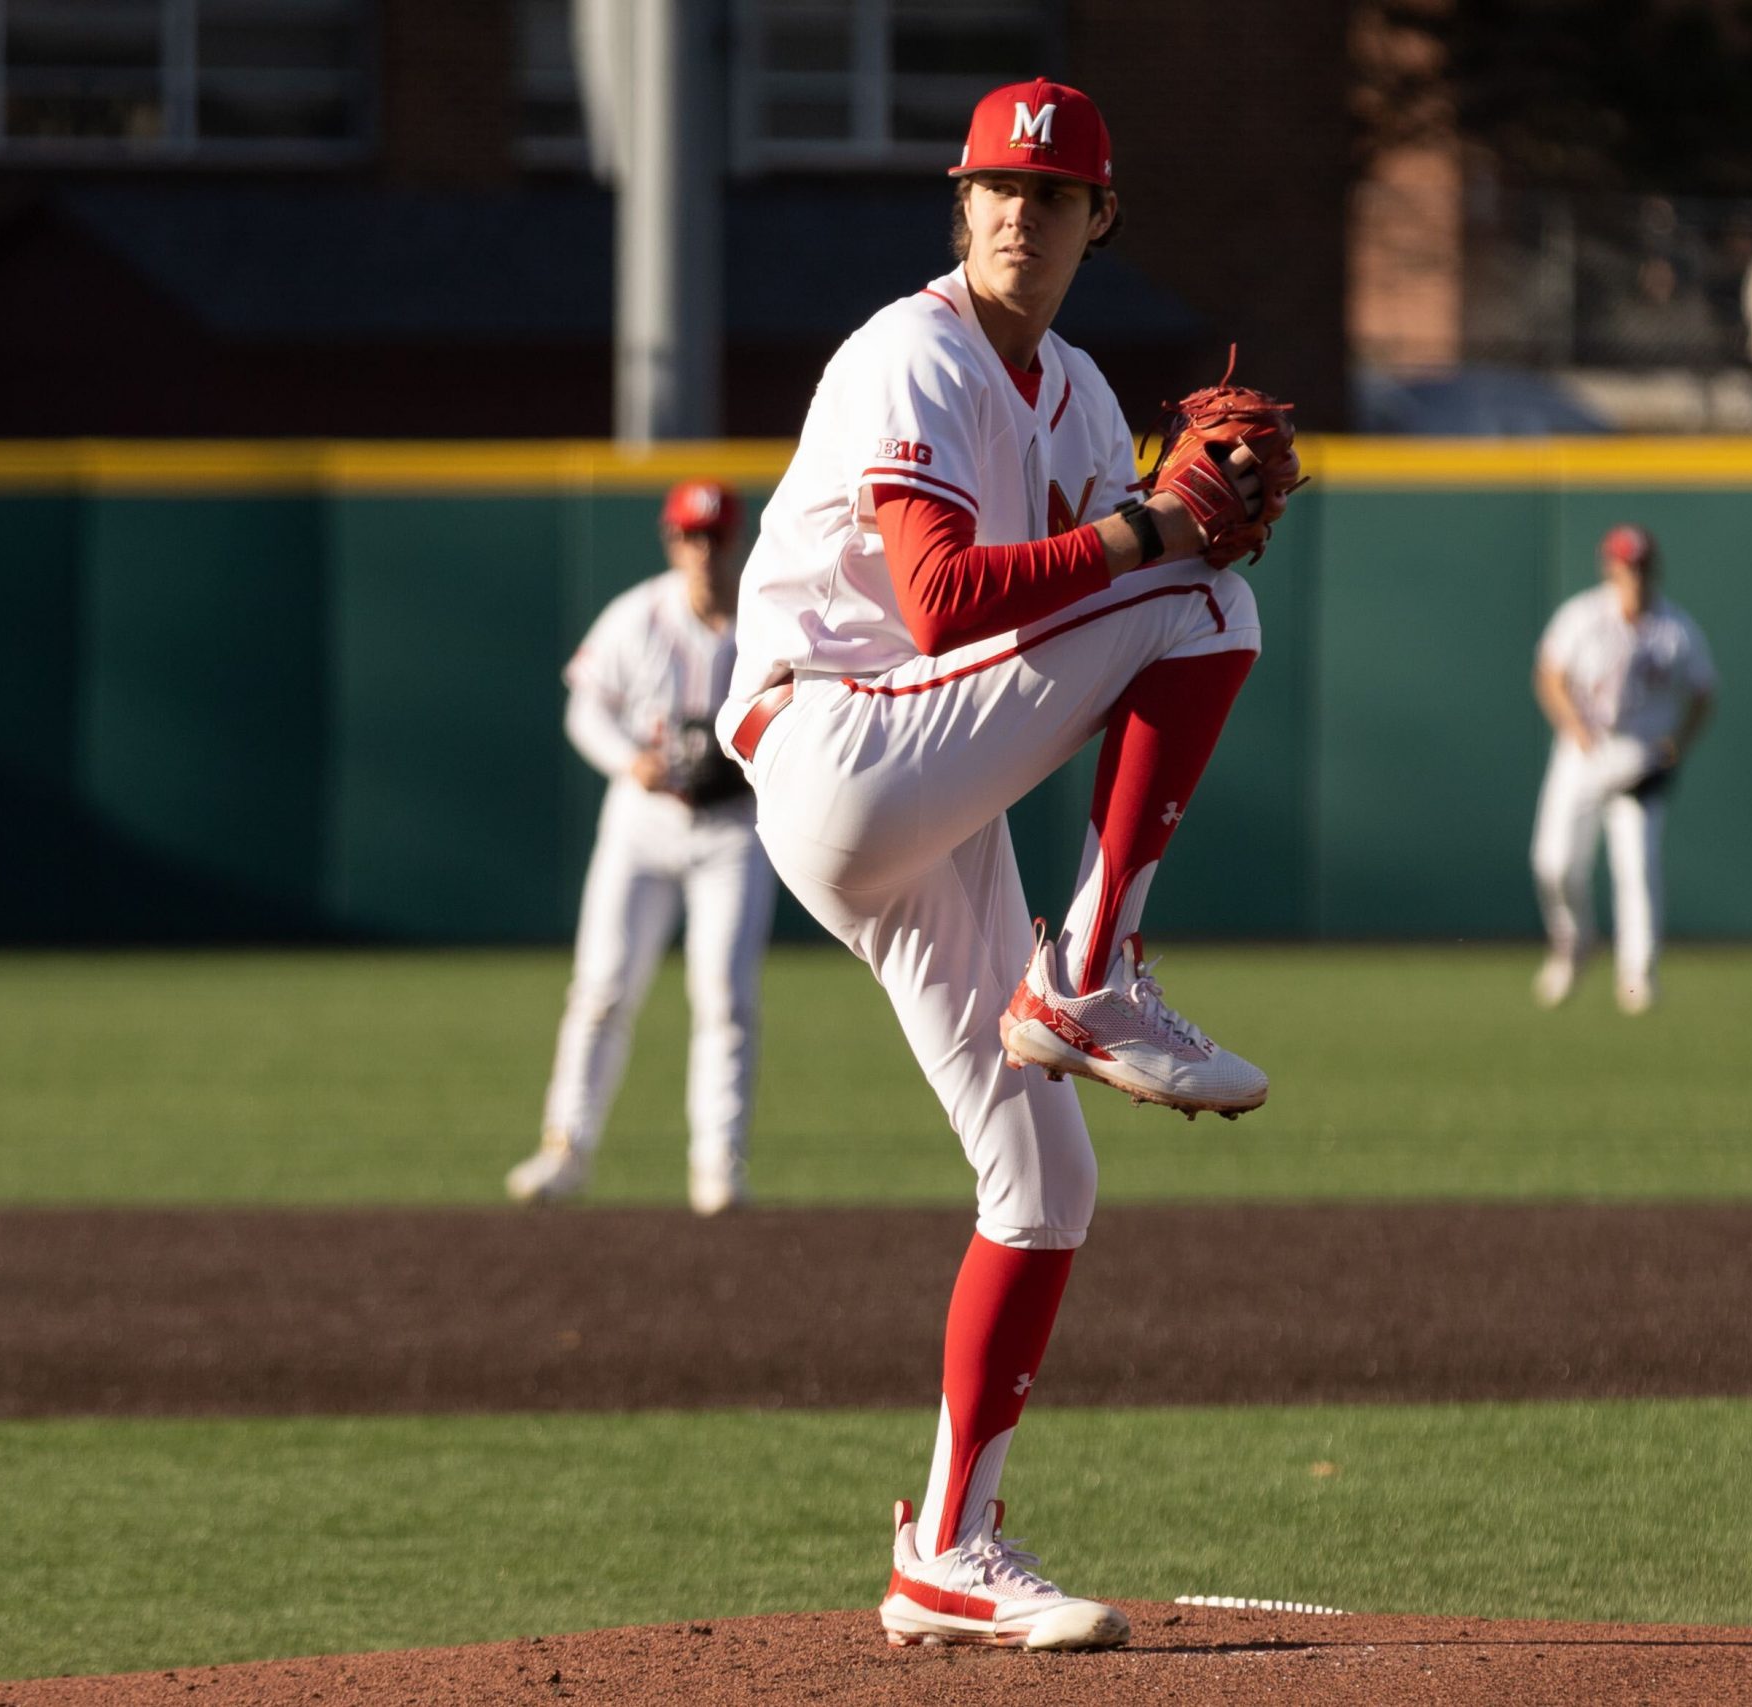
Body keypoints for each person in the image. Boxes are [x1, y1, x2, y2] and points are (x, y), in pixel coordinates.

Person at [714, 79, 1291, 1652]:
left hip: (925, 796)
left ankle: (946, 1547)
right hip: (833, 743)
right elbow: (956, 593)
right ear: (958, 204)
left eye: (1054, 197)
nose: (1021, 215)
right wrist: (1161, 537)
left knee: (1044, 1179)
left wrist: (1180, 520)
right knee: (1203, 605)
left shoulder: (1085, 392)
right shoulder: (915, 349)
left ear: (1102, 219)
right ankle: (1094, 971)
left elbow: (1083, 620)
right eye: (996, 190)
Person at [506, 480, 777, 1216]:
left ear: (735, 539)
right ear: (670, 541)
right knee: (599, 989)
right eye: (686, 536)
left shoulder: (769, 615)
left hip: (731, 828)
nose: (699, 550)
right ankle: (566, 1149)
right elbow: (585, 706)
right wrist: (632, 760)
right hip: (642, 824)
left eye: (712, 536)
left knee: (725, 996)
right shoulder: (639, 613)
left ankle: (717, 1163)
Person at [1529, 523, 1717, 1015]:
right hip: (1584, 753)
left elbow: (1703, 692)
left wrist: (1676, 745)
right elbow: (1549, 673)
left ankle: (1636, 977)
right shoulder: (1583, 615)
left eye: (1638, 563)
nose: (1630, 571)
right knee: (1553, 863)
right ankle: (1572, 946)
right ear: (1608, 565)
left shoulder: (1674, 627)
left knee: (1636, 870)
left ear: (1651, 568)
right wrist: (1573, 725)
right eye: (1622, 562)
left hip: (1639, 758)